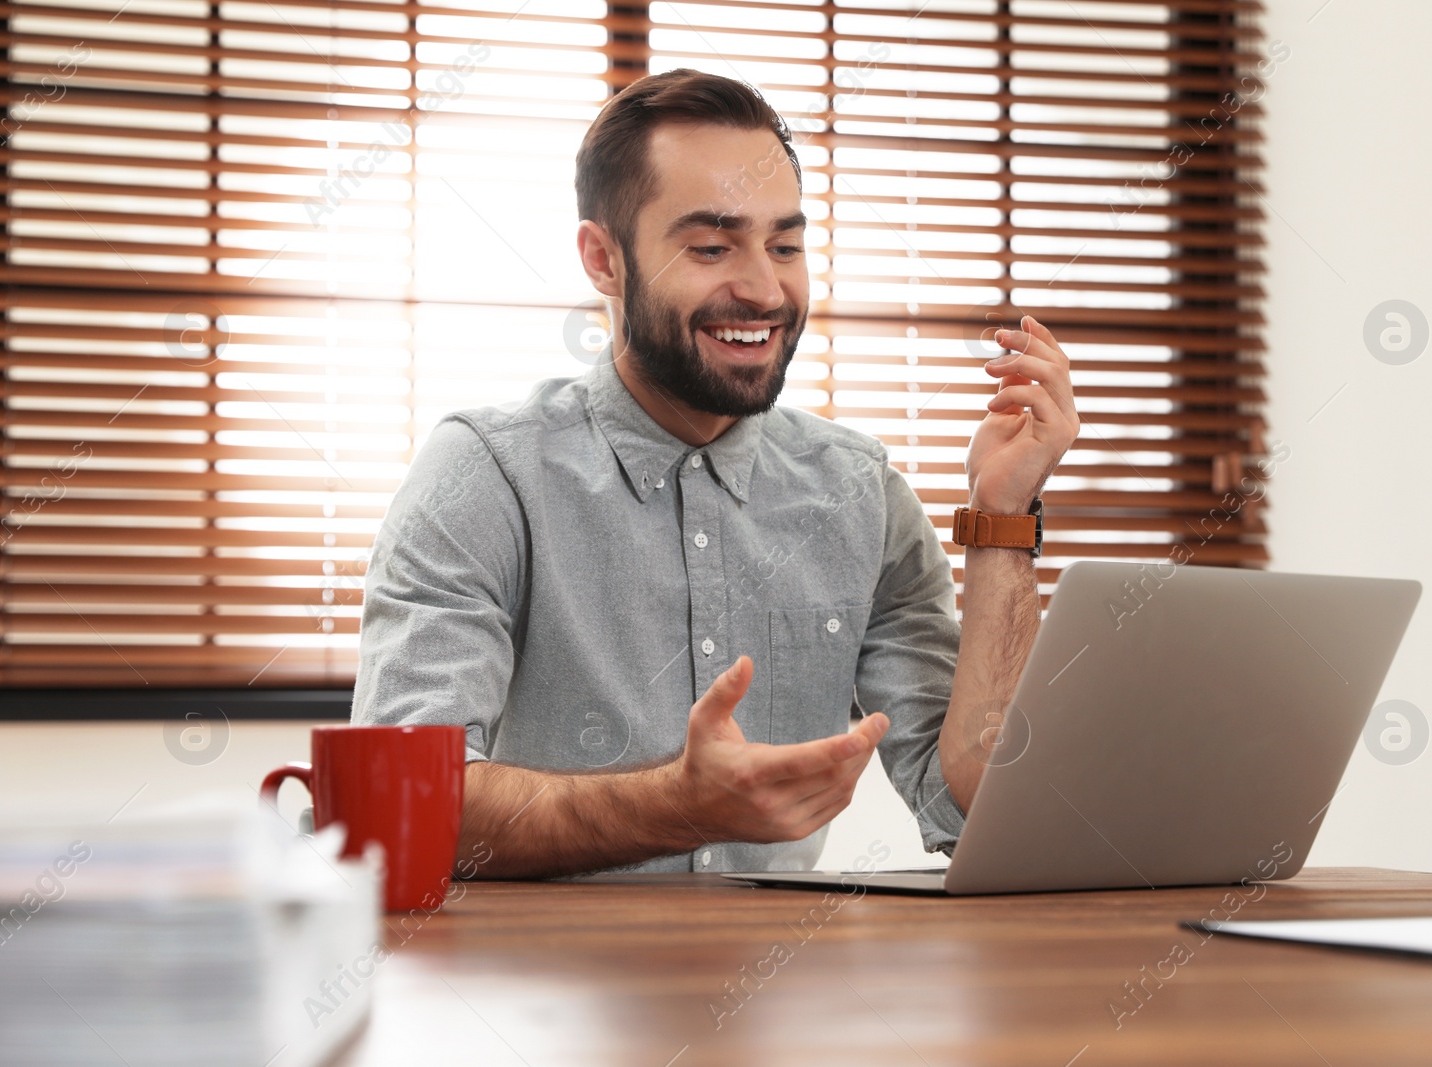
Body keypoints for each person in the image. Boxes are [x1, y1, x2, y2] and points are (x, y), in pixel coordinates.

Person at [351, 68, 1080, 878]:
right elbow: (400, 803)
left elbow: (977, 800)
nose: (764, 289)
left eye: (785, 246)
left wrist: (1002, 516)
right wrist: (673, 806)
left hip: (780, 993)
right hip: (543, 994)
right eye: (710, 247)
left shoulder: (860, 492)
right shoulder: (486, 476)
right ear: (603, 258)